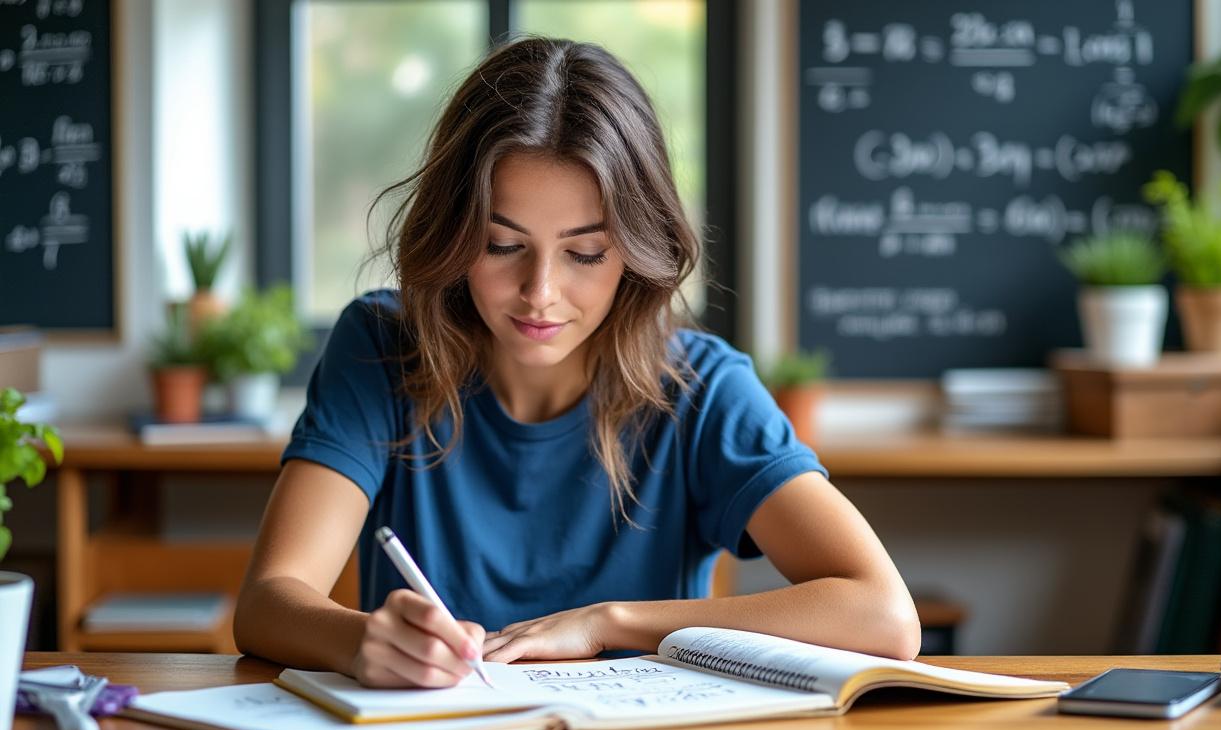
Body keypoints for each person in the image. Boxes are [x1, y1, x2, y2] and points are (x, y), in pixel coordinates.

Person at [234, 37, 919, 689]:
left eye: (585, 253)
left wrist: (608, 622)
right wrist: (361, 643)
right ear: (453, 237)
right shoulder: (381, 346)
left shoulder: (703, 388)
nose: (541, 293)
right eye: (502, 246)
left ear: (636, 250)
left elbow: (882, 616)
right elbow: (268, 602)